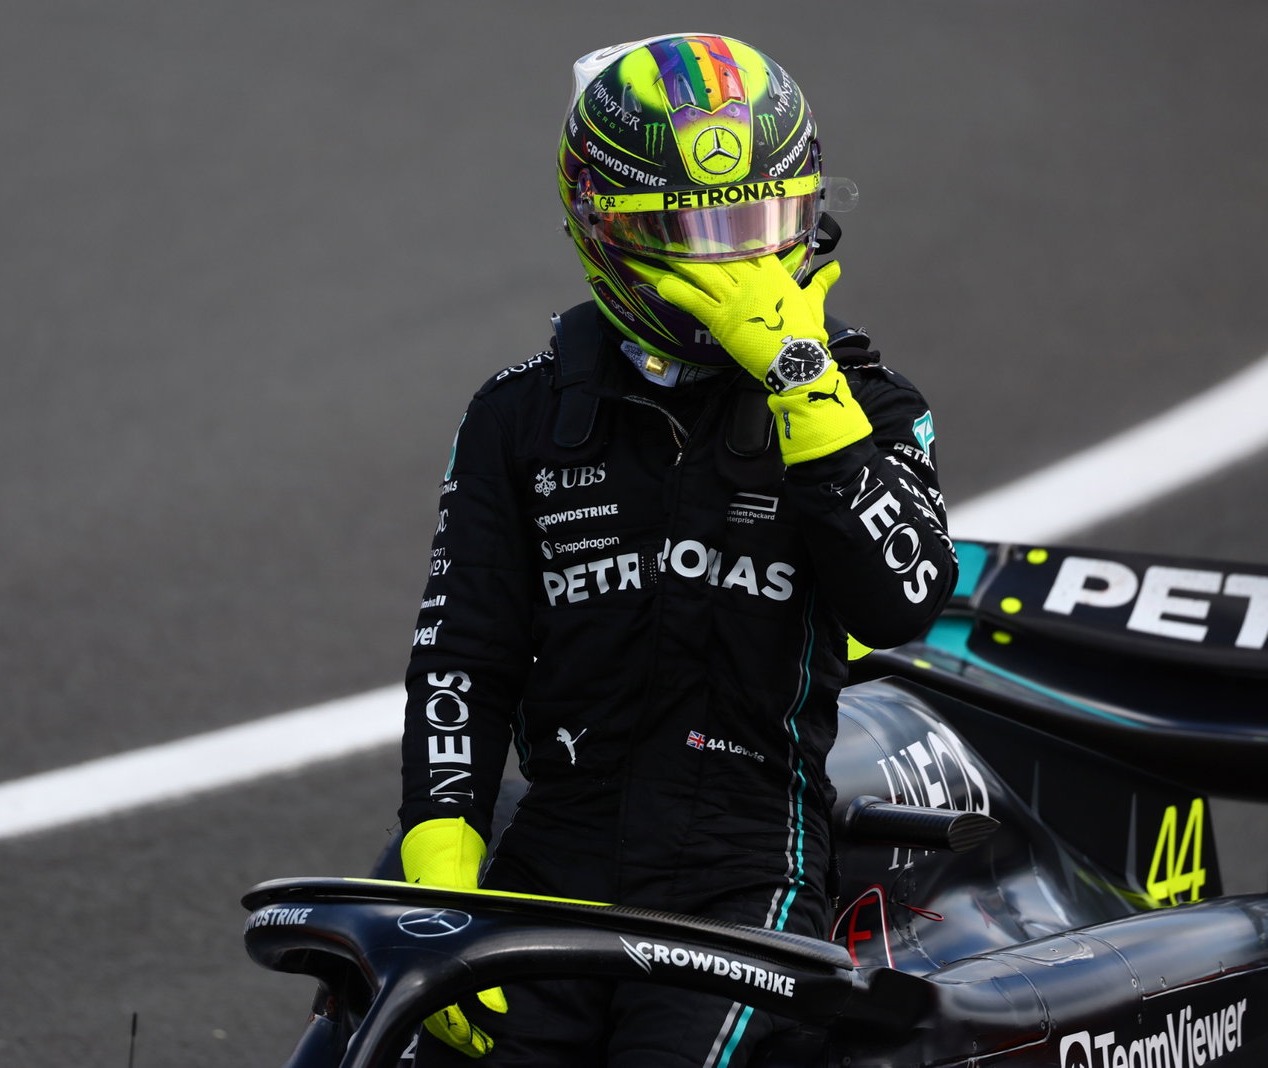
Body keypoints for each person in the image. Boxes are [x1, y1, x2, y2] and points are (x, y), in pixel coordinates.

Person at [396, 32, 957, 1067]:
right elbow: (461, 662)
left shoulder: (866, 406)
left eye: (762, 219)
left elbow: (905, 598)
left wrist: (800, 384)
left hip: (746, 872)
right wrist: (438, 846)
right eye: (705, 227)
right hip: (552, 862)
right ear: (605, 226)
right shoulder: (517, 418)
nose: (741, 256)